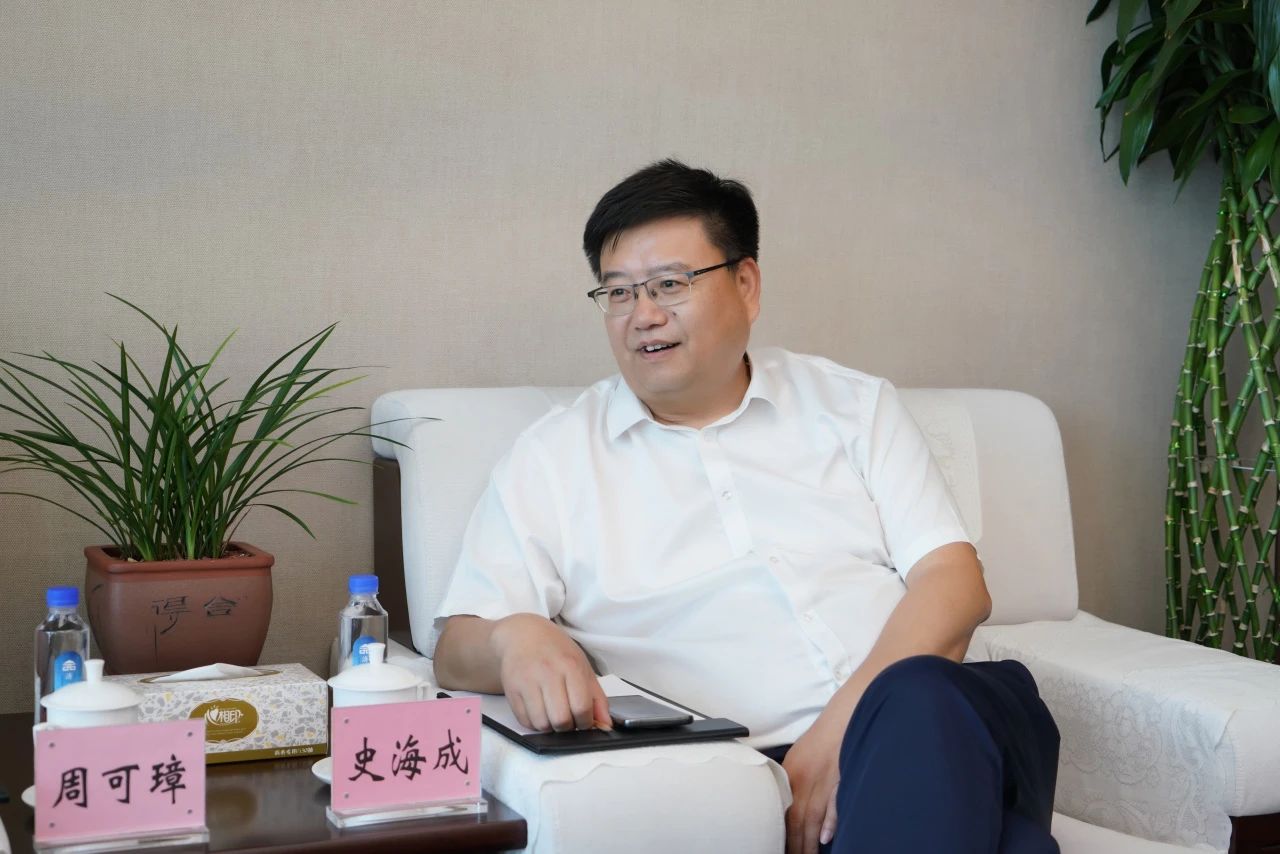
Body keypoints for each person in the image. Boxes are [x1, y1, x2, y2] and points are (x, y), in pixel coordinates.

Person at [431, 159, 1060, 854]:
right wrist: (515, 636)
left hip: (945, 716)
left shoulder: (852, 406)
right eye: (618, 292)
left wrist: (838, 736)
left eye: (670, 284)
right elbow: (455, 649)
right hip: (749, 770)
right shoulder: (553, 459)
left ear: (746, 284)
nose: (643, 315)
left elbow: (956, 585)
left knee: (920, 700)